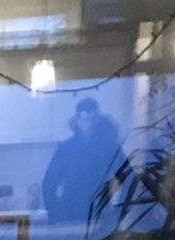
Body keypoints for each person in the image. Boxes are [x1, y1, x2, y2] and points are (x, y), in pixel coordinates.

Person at [41, 96, 125, 227]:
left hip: (99, 213)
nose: (90, 125)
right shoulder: (66, 149)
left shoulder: (110, 147)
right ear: (78, 121)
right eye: (86, 120)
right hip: (71, 213)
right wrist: (54, 213)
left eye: (93, 120)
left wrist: (121, 209)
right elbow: (49, 183)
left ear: (99, 121)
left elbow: (127, 178)